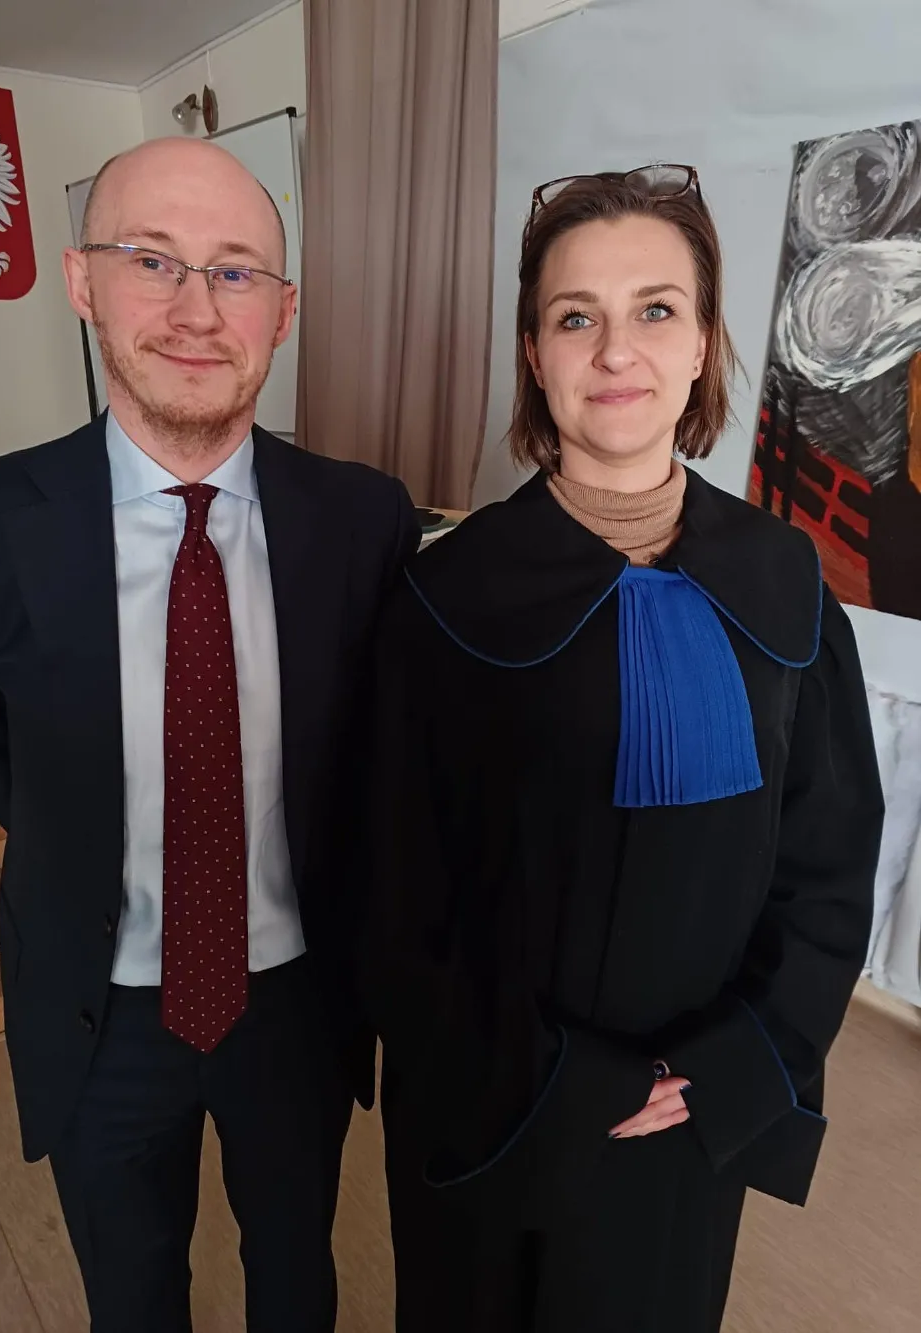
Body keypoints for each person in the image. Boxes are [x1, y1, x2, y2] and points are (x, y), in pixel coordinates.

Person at [360, 167, 885, 1332]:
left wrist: (738, 1056)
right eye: (573, 316)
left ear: (701, 344)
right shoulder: (444, 599)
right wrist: (563, 1077)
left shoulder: (785, 580)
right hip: (499, 1107)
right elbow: (396, 896)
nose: (615, 351)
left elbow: (829, 858)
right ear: (533, 354)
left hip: (695, 1107)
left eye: (655, 309)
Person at [0, 136, 418, 1333]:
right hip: (97, 1005)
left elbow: (374, 763)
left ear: (282, 312)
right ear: (82, 282)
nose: (197, 310)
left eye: (235, 271)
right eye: (153, 260)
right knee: (132, 1293)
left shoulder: (366, 519)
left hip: (297, 994)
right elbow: (13, 763)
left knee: (295, 1269)